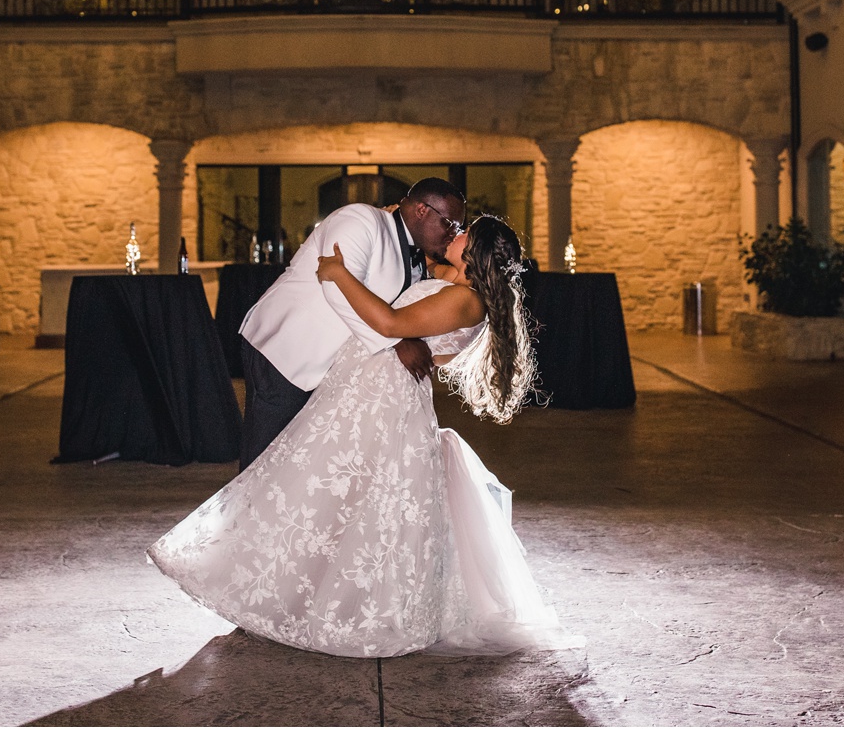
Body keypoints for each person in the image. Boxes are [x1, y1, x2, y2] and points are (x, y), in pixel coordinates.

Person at [148, 215, 581, 658]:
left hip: (382, 398)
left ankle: (327, 601)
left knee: (332, 491)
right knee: (329, 492)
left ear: (477, 250)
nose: (456, 231)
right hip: (367, 385)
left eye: (465, 231)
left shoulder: (466, 302)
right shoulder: (454, 282)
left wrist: (338, 274)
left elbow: (392, 324)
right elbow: (419, 278)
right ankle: (282, 586)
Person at [233, 177, 466, 470]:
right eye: (450, 223)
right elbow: (336, 285)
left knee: (300, 467)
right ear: (422, 210)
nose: (453, 233)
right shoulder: (360, 219)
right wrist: (396, 341)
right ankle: (245, 516)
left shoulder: (418, 253)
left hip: (332, 370)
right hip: (288, 351)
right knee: (264, 462)